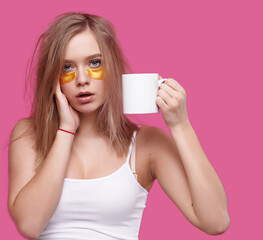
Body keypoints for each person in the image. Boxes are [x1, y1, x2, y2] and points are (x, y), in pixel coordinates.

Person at [8, 12, 230, 239]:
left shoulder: (146, 144)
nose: (82, 79)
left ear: (113, 68)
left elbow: (215, 221)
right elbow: (29, 225)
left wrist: (181, 125)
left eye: (95, 63)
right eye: (67, 67)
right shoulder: (29, 135)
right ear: (52, 76)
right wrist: (66, 130)